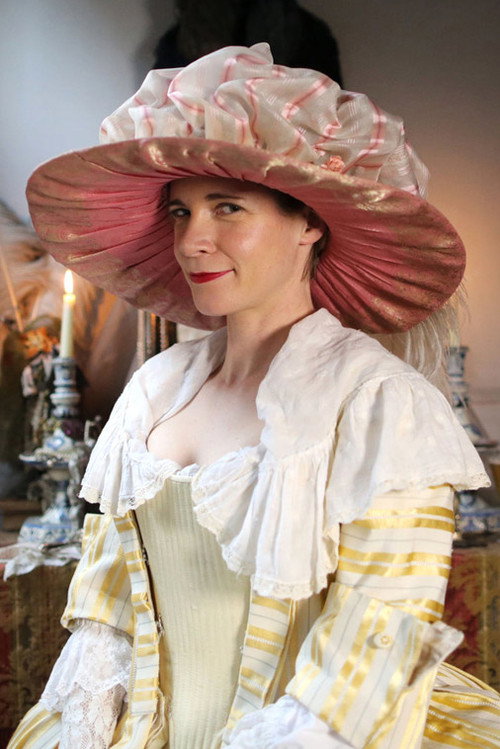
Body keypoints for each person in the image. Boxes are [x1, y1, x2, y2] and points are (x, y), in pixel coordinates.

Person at [9, 44, 500, 749]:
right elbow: (109, 611)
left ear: (311, 223)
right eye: (180, 212)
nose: (193, 241)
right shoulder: (155, 390)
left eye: (228, 208)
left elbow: (378, 647)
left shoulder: (378, 403)